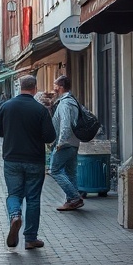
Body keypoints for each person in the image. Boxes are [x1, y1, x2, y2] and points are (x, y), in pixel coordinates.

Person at [0, 75, 55, 250]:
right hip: (34, 159)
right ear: (35, 88)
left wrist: (11, 132)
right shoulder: (40, 110)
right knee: (33, 198)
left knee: (14, 194)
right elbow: (50, 136)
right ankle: (30, 238)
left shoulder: (6, 106)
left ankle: (15, 215)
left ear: (20, 87)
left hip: (12, 158)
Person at [48, 75, 83, 211]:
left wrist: (60, 143)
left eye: (55, 85)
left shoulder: (65, 103)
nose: (54, 88)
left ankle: (74, 197)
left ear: (61, 87)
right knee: (70, 172)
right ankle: (71, 201)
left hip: (65, 143)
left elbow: (66, 125)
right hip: (74, 142)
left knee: (55, 170)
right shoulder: (73, 100)